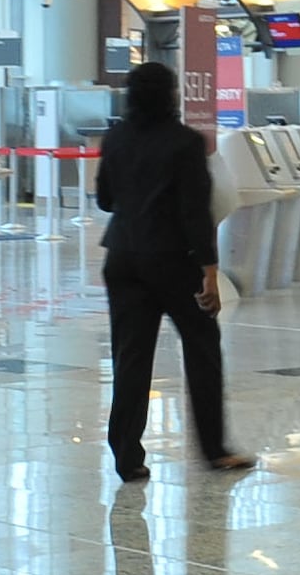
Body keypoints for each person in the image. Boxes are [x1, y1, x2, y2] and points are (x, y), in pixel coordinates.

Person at [93, 60, 251, 479]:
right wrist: (210, 273)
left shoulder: (115, 138)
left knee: (130, 358)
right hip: (172, 262)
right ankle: (215, 451)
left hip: (123, 259)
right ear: (171, 96)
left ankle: (127, 457)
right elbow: (194, 213)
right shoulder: (184, 143)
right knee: (201, 350)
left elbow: (105, 200)